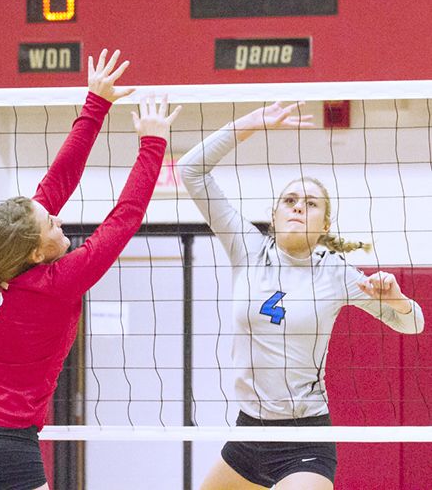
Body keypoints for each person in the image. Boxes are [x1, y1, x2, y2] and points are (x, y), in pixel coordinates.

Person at [0, 48, 181, 490]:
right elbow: (123, 219)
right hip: (2, 448)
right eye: (51, 221)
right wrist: (153, 142)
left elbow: (59, 181)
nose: (58, 216)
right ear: (34, 252)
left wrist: (97, 103)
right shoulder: (56, 283)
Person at [177, 101, 424, 490]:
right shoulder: (247, 248)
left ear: (325, 223)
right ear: (274, 214)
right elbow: (189, 170)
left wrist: (396, 300)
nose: (297, 208)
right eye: (289, 201)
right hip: (248, 435)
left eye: (310, 204)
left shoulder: (336, 272)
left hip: (304, 437)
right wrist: (248, 125)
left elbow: (414, 325)